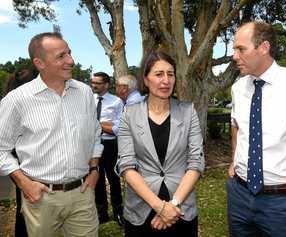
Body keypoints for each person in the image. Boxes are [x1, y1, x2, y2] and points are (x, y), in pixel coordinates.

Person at [0, 32, 103, 236]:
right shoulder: (17, 100)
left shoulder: (84, 93)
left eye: (69, 53)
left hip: (82, 194)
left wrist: (94, 169)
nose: (71, 61)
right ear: (40, 63)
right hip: (41, 199)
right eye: (61, 56)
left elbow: (94, 135)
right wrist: (24, 183)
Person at [227, 21, 286, 237]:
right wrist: (234, 160)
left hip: (282, 205)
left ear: (264, 47)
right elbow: (236, 125)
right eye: (234, 49)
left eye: (241, 49)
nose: (234, 56)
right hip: (239, 196)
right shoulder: (239, 88)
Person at [116, 51, 205, 237]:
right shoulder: (129, 115)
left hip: (180, 209)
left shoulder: (188, 112)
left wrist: (173, 205)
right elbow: (126, 165)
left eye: (170, 74)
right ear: (146, 80)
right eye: (158, 74)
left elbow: (196, 162)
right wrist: (160, 207)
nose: (166, 80)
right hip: (142, 209)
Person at [4, 67, 39, 237]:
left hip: (19, 162)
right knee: (29, 208)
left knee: (25, 206)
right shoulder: (22, 106)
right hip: (27, 163)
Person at [90, 72, 124, 225]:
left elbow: (119, 127)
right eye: (93, 82)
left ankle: (118, 212)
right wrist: (105, 125)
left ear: (106, 85)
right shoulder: (89, 100)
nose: (94, 85)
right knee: (96, 178)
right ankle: (101, 213)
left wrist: (99, 125)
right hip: (91, 144)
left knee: (113, 178)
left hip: (109, 145)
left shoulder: (116, 102)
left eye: (97, 83)